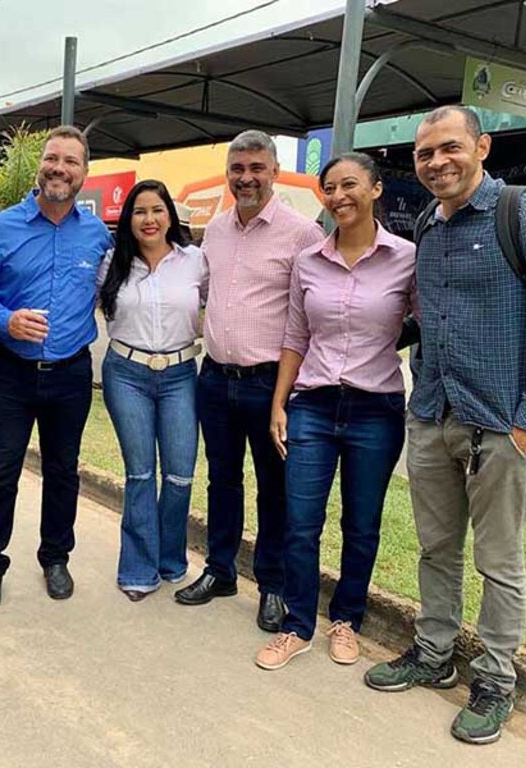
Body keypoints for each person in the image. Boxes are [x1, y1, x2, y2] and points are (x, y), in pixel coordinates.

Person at [363, 106, 526, 745]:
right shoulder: (430, 222)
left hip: (500, 425)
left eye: (449, 148)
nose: (436, 163)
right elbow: (430, 319)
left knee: (499, 559)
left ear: (481, 147)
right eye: (425, 153)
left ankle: (494, 678)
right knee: (436, 547)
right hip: (432, 415)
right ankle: (433, 654)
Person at [259, 153, 415, 670]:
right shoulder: (309, 261)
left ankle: (346, 618)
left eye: (350, 184)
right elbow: (295, 336)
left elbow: (429, 322)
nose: (339, 195)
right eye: (330, 187)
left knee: (362, 523)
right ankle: (298, 625)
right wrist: (280, 402)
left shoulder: (407, 258)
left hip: (377, 409)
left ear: (375, 190)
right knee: (300, 521)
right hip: (315, 406)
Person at [174, 130, 325, 635]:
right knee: (221, 480)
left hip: (270, 386)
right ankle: (219, 570)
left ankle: (273, 585)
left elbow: (306, 320)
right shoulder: (213, 230)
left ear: (275, 172)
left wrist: (286, 395)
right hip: (214, 379)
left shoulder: (303, 233)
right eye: (237, 169)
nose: (246, 178)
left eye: (257, 168)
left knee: (274, 490)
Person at [0, 125, 112, 611]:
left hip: (71, 374)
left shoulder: (97, 235)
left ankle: (55, 556)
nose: (60, 168)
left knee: (63, 470)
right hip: (11, 371)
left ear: (84, 174)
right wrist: (4, 320)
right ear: (40, 165)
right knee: (0, 470)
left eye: (71, 162)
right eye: (53, 158)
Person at [97, 180, 207, 601]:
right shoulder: (112, 263)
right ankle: (139, 570)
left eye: (157, 210)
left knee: (180, 474)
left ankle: (171, 560)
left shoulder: (196, 261)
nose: (149, 219)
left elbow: (224, 300)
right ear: (129, 219)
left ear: (170, 216)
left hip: (181, 375)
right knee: (140, 473)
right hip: (127, 374)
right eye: (140, 211)